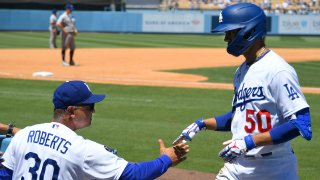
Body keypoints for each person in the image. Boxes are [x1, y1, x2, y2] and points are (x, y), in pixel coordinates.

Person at [173, 3, 312, 180]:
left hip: (275, 168)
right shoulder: (241, 71)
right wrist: (202, 124)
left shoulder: (278, 70)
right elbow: (240, 117)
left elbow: (302, 124)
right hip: (237, 166)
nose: (226, 39)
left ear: (248, 30)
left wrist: (249, 142)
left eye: (229, 32)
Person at [0, 80, 189, 179]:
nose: (93, 111)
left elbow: (5, 176)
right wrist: (167, 159)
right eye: (89, 107)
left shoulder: (24, 135)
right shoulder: (83, 150)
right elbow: (134, 175)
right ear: (72, 111)